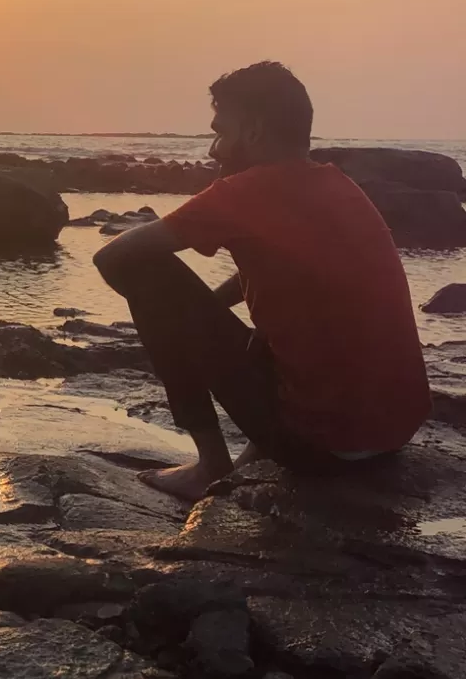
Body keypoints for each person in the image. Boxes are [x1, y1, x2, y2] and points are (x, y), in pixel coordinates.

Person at [95, 61, 431, 502]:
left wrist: (183, 327)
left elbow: (113, 256)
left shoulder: (244, 192)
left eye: (220, 131)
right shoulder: (336, 185)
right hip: (392, 432)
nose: (213, 149)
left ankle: (210, 462)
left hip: (322, 447)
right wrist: (207, 318)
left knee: (142, 269)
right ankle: (253, 451)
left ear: (252, 131)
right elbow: (294, 271)